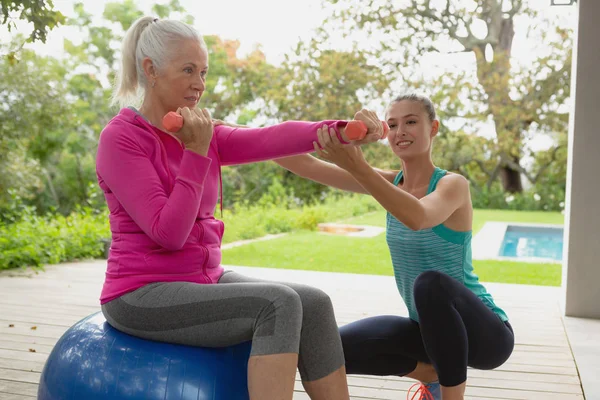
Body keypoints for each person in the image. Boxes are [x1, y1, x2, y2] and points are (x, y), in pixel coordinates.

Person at [96, 16, 385, 400]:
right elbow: (168, 233)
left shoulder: (202, 131)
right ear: (150, 70)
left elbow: (271, 138)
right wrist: (196, 152)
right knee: (277, 304)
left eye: (203, 71)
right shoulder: (122, 138)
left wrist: (342, 129)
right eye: (187, 70)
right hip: (140, 294)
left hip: (202, 279)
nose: (199, 83)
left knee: (313, 303)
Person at [274, 93, 515, 400]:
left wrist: (359, 166)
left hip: (485, 335)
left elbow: (419, 216)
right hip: (428, 334)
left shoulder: (452, 185)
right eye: (393, 124)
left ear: (434, 128)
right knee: (323, 349)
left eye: (411, 122)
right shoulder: (387, 183)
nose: (401, 131)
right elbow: (301, 163)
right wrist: (232, 132)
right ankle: (431, 374)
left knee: (430, 284)